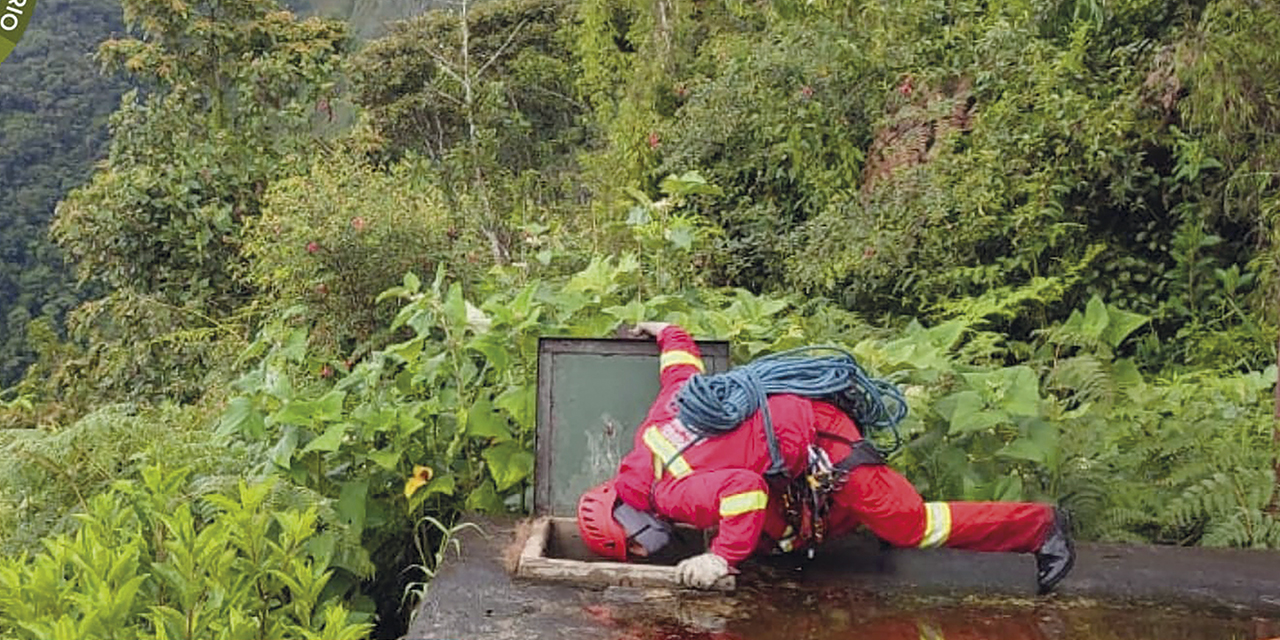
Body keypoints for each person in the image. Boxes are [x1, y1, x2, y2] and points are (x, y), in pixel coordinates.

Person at [577, 321, 1075, 593]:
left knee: (909, 525)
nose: (645, 554)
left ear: (635, 521)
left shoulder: (672, 494)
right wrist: (667, 331)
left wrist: (721, 559)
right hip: (794, 434)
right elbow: (680, 373)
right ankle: (829, 529)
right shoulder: (654, 433)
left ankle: (1039, 528)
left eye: (635, 547)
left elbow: (745, 491)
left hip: (823, 439)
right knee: (772, 535)